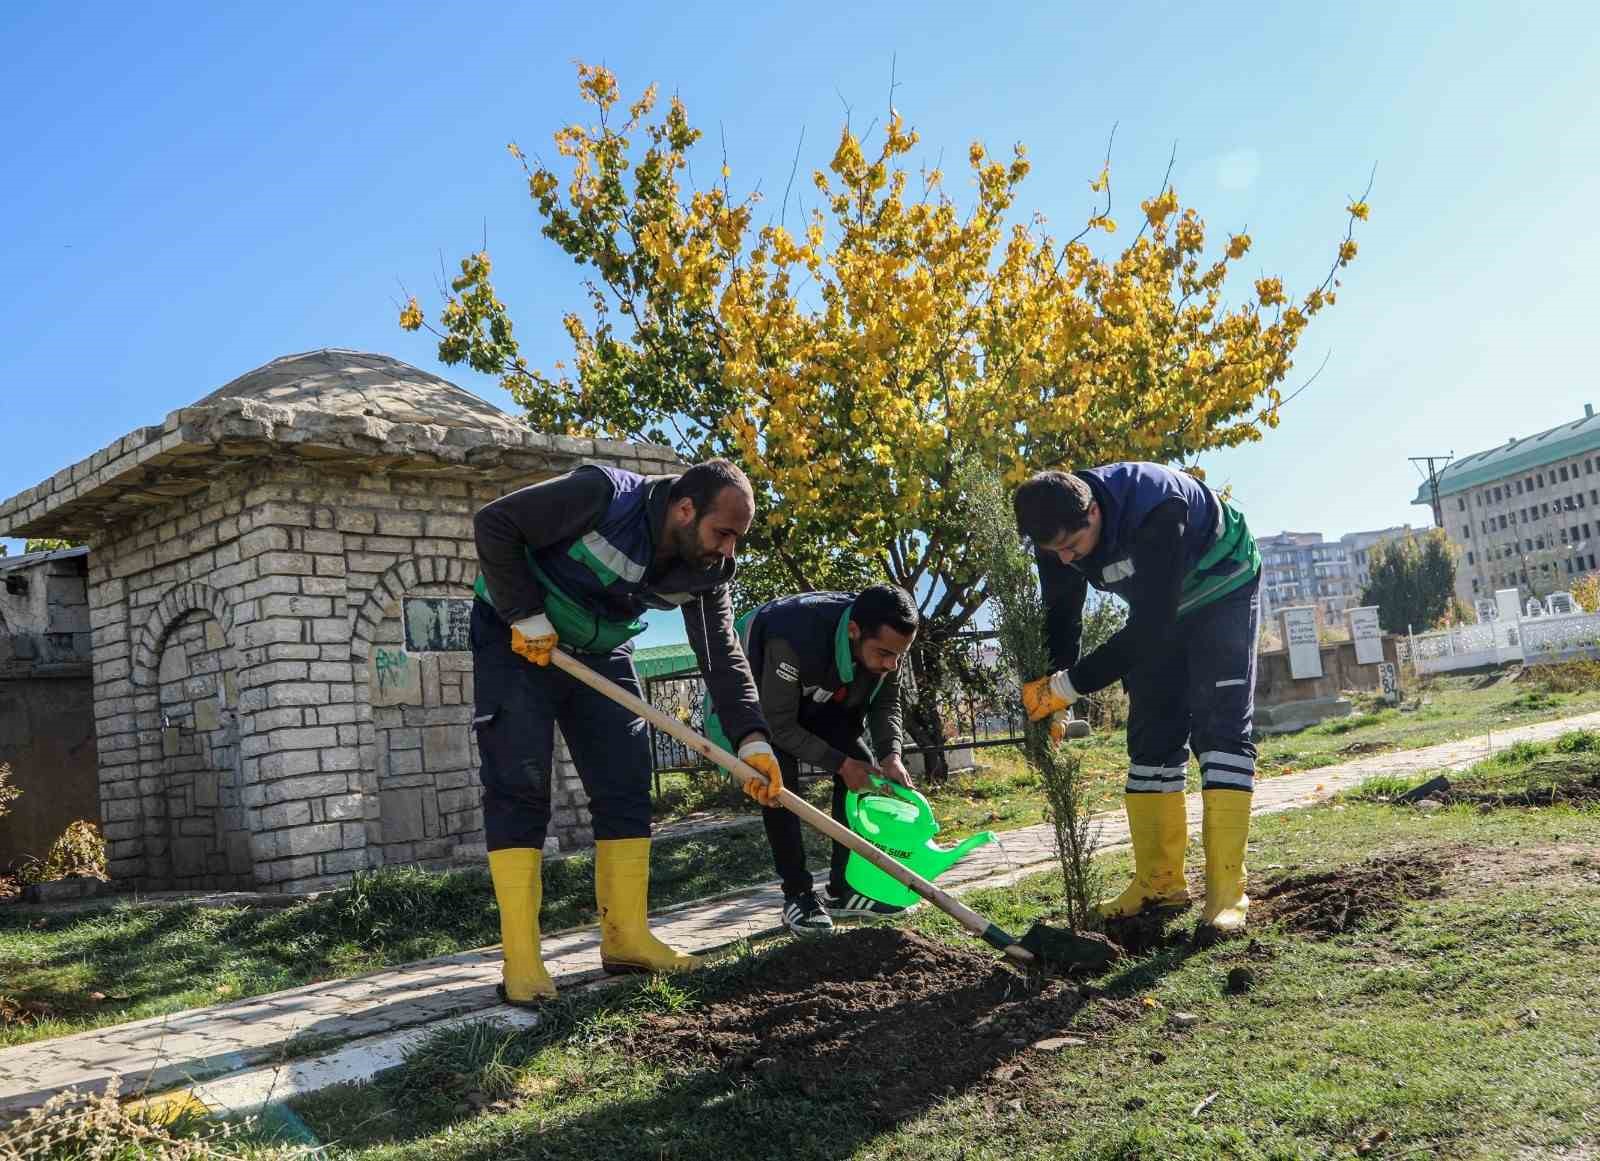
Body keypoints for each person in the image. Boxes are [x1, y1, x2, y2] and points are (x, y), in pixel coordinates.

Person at [471, 459, 783, 1006]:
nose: (728, 549)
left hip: (601, 649)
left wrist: (752, 739)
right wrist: (523, 611)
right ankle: (522, 957)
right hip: (515, 638)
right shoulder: (602, 496)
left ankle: (626, 938)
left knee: (626, 782)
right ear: (685, 510)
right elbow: (495, 523)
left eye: (737, 538)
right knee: (519, 784)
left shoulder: (709, 570)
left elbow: (721, 655)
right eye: (724, 533)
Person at [1011, 462, 1262, 933]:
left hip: (1223, 587)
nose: (1065, 560)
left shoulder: (1157, 509)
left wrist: (1065, 687)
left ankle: (1227, 894)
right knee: (1151, 736)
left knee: (1219, 730)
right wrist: (1053, 692)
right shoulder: (1056, 533)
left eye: (1072, 547)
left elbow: (1149, 630)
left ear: (1093, 511)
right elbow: (1063, 615)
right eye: (1054, 551)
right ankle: (1160, 883)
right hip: (1156, 610)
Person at [725, 586, 919, 936]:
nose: (892, 664)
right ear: (853, 630)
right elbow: (779, 725)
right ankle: (797, 896)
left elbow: (887, 702)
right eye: (885, 653)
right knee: (777, 779)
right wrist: (840, 764)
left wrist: (891, 754)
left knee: (862, 761)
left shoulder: (885, 646)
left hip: (818, 700)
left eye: (899, 655)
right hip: (759, 711)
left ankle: (844, 888)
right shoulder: (793, 636)